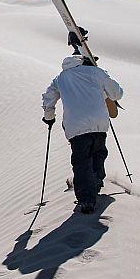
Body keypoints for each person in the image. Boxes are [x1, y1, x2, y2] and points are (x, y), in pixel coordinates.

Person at [41, 54, 124, 214]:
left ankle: (86, 200)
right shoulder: (97, 72)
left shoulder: (61, 78)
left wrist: (48, 117)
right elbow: (117, 94)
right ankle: (97, 180)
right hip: (99, 122)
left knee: (81, 161)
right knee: (99, 152)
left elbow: (49, 98)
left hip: (76, 126)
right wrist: (105, 92)